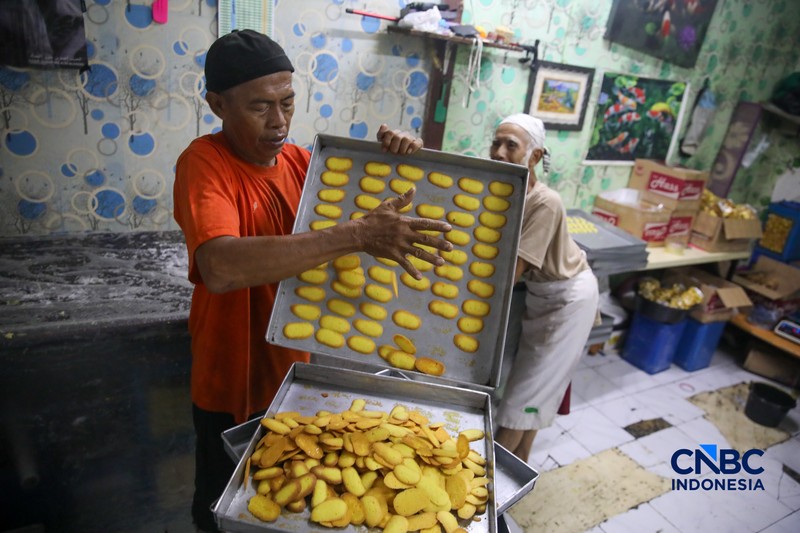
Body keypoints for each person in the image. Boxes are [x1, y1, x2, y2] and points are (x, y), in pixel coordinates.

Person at [172, 29, 453, 532]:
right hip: (231, 377)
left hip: (295, 372)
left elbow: (368, 224)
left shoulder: (305, 164)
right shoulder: (205, 164)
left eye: (287, 102)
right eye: (260, 107)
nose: (279, 122)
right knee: (223, 508)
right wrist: (357, 233)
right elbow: (220, 267)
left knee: (286, 504)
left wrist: (397, 159)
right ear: (217, 104)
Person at [489, 113, 599, 462]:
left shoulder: (544, 202)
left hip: (567, 300)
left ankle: (484, 492)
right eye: (496, 142)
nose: (500, 152)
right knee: (539, 390)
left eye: (511, 145)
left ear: (534, 156)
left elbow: (510, 275)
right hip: (542, 297)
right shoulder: (506, 193)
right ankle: (518, 469)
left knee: (525, 394)